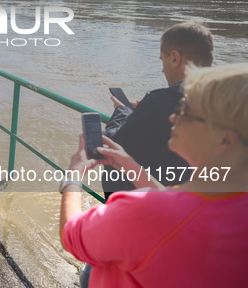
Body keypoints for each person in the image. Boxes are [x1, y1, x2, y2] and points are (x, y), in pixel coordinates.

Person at [59, 63, 248, 287]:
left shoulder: (143, 211)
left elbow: (71, 235)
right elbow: (180, 211)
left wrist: (73, 175)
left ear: (224, 140)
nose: (171, 118)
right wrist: (131, 166)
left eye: (184, 111)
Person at [102, 22, 213, 199]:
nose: (162, 69)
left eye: (163, 60)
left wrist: (122, 112)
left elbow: (112, 150)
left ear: (175, 58)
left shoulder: (164, 102)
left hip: (152, 208)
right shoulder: (224, 99)